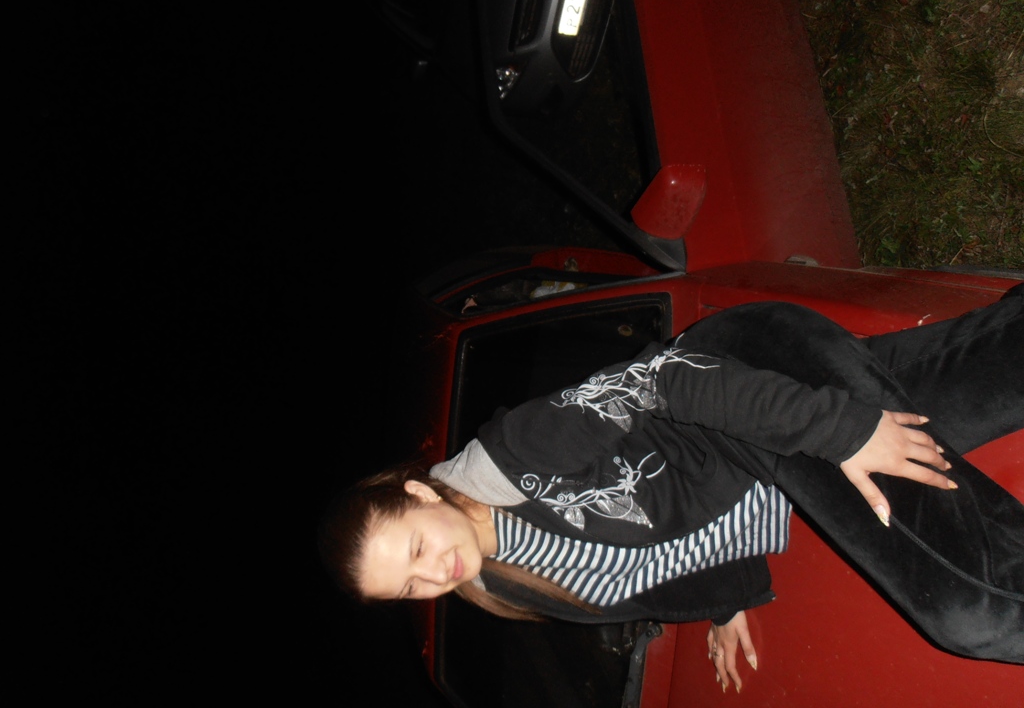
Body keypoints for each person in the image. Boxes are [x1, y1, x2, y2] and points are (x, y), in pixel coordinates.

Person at [319, 284, 1024, 691]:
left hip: (742, 378)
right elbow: (656, 553)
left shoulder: (512, 458)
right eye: (409, 588)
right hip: (764, 450)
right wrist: (726, 601)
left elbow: (661, 379)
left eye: (414, 550)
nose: (431, 575)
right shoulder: (505, 583)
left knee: (967, 610)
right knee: (993, 369)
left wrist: (841, 430)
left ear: (418, 494)